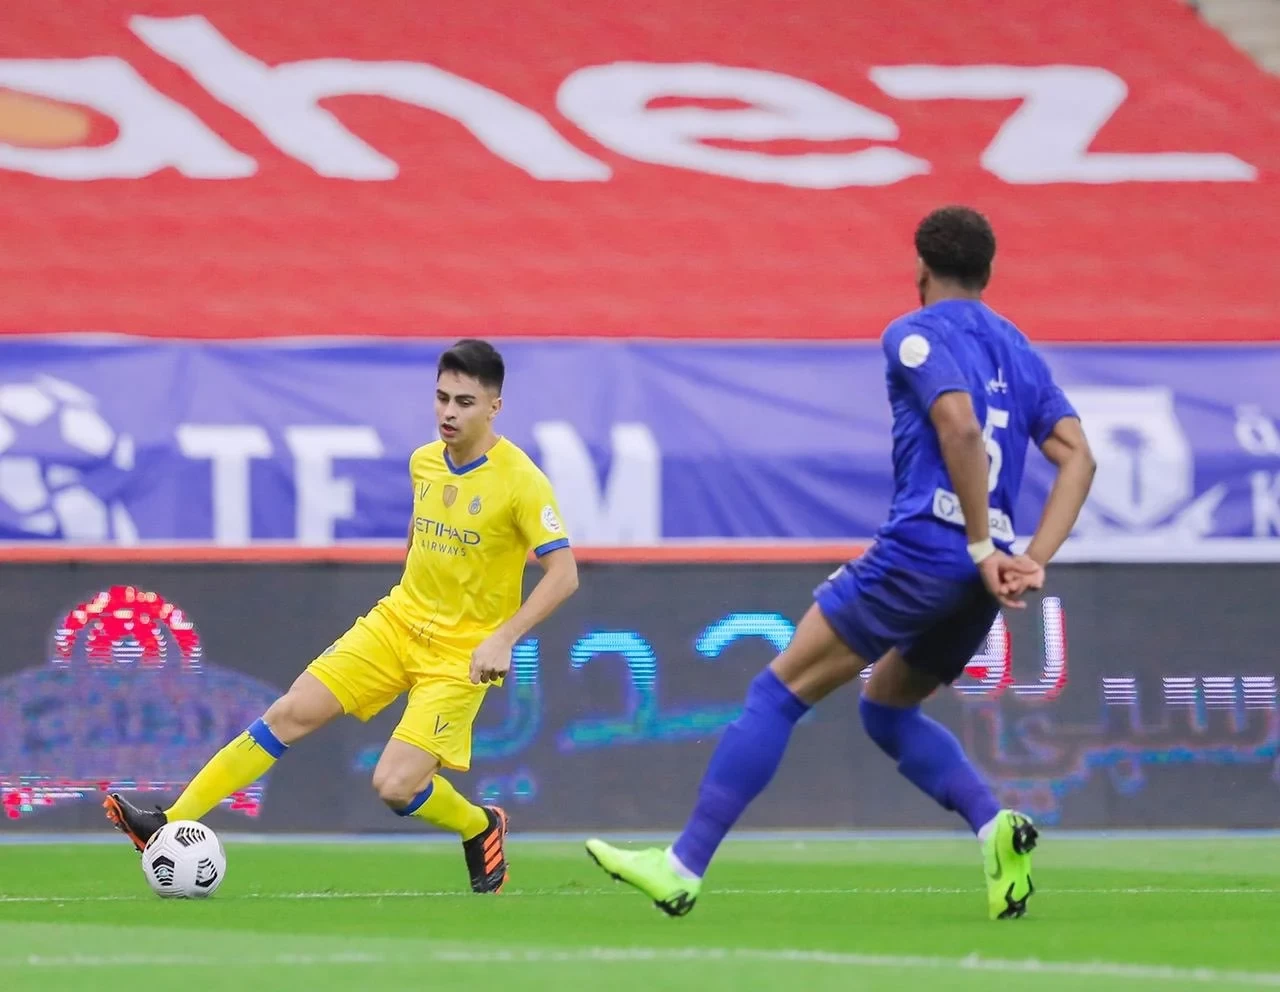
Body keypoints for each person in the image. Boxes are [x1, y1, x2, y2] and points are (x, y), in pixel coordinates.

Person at [586, 206, 1095, 920]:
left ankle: (681, 867)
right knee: (886, 707)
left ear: (920, 268)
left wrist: (981, 544)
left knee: (778, 692)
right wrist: (1029, 558)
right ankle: (993, 827)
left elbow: (960, 425)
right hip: (982, 575)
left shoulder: (913, 333)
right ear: (988, 274)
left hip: (926, 549)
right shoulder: (1019, 349)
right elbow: (1078, 456)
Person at [106, 339, 579, 894]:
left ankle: (480, 825)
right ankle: (170, 825)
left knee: (395, 785)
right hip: (398, 623)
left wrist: (503, 638)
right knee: (290, 712)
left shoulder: (520, 481)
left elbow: (564, 574)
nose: (449, 412)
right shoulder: (424, 462)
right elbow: (421, 536)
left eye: (465, 402)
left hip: (461, 653)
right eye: (442, 397)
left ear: (494, 406)